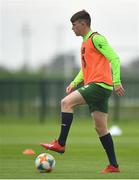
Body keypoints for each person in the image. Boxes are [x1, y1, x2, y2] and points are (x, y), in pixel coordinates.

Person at [40, 10, 125, 173]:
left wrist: (117, 81)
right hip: (99, 87)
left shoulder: (96, 39)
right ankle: (114, 165)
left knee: (65, 103)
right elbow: (85, 68)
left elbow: (114, 58)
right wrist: (74, 82)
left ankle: (61, 143)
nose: (72, 28)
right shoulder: (85, 42)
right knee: (101, 129)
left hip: (99, 85)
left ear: (83, 23)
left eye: (74, 25)